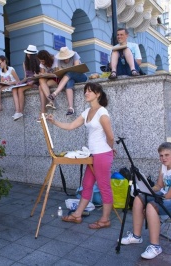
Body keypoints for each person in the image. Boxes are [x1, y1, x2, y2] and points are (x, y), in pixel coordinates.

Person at [47, 82, 115, 229]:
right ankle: (77, 215)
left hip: (102, 155)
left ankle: (105, 219)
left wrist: (110, 151)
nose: (86, 93)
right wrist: (54, 122)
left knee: (104, 187)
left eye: (90, 91)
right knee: (87, 185)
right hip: (92, 155)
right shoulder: (87, 112)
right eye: (85, 91)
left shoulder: (102, 113)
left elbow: (110, 136)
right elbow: (71, 126)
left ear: (98, 94)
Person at [120, 142, 171, 260]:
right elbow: (159, 186)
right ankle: (136, 236)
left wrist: (151, 202)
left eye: (167, 155)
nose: (163, 158)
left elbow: (170, 195)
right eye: (161, 155)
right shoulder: (164, 167)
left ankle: (155, 247)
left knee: (151, 206)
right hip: (166, 195)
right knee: (139, 198)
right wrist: (145, 190)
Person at [48, 47, 88, 116]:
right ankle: (71, 108)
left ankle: (55, 94)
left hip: (81, 77)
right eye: (63, 58)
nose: (65, 59)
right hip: (69, 79)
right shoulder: (59, 60)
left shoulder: (75, 55)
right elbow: (60, 73)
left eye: (66, 57)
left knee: (69, 73)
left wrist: (67, 72)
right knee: (69, 82)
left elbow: (77, 68)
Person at [0, 55, 28, 121]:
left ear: (4, 61)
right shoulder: (1, 71)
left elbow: (18, 81)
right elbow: (2, 81)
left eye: (0, 63)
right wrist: (0, 83)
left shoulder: (11, 69)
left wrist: (10, 82)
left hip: (12, 85)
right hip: (6, 86)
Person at [37, 50, 58, 115]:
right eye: (40, 61)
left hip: (57, 79)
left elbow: (57, 74)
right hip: (48, 79)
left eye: (43, 61)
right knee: (41, 81)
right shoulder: (42, 63)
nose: (41, 63)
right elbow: (43, 74)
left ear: (47, 59)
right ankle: (50, 101)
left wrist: (46, 74)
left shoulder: (55, 60)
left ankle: (43, 111)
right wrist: (40, 75)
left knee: (41, 87)